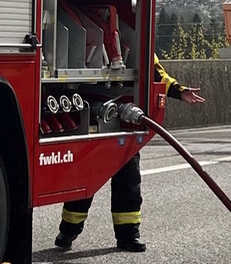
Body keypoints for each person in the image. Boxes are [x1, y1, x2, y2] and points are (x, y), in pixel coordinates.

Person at [55, 56, 205, 252]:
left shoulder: (132, 42)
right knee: (86, 178)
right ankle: (68, 230)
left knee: (128, 178)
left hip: (122, 115)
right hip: (88, 108)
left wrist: (178, 91)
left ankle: (128, 236)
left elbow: (156, 72)